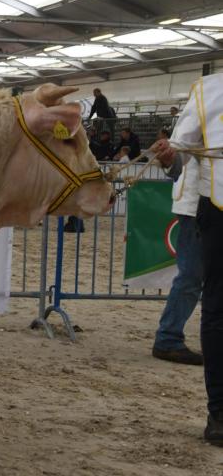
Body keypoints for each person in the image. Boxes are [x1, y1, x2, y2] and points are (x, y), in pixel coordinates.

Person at [154, 71, 223, 445]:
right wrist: (169, 157)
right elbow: (178, 159)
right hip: (209, 208)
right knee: (202, 289)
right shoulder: (207, 92)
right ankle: (220, 412)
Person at [150, 147, 203, 365]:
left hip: (206, 206)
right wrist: (169, 160)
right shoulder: (200, 111)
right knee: (191, 276)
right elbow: (177, 159)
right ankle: (168, 338)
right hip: (197, 206)